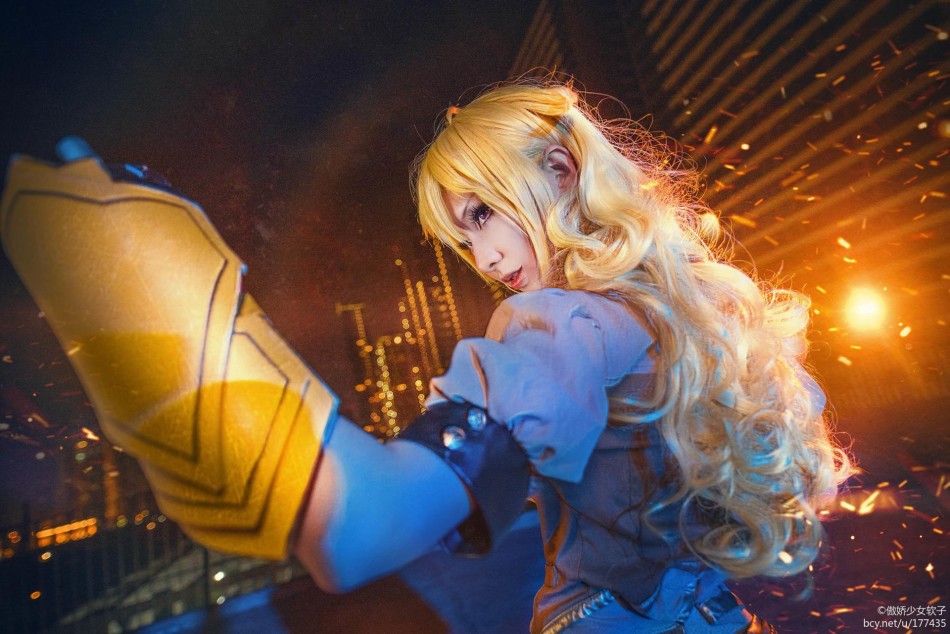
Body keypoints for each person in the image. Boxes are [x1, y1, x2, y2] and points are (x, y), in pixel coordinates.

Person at [0, 80, 846, 633]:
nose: (482, 256)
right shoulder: (709, 310)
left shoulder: (563, 324)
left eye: (481, 214)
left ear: (560, 169)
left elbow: (356, 530)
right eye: (460, 238)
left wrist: (155, 286)